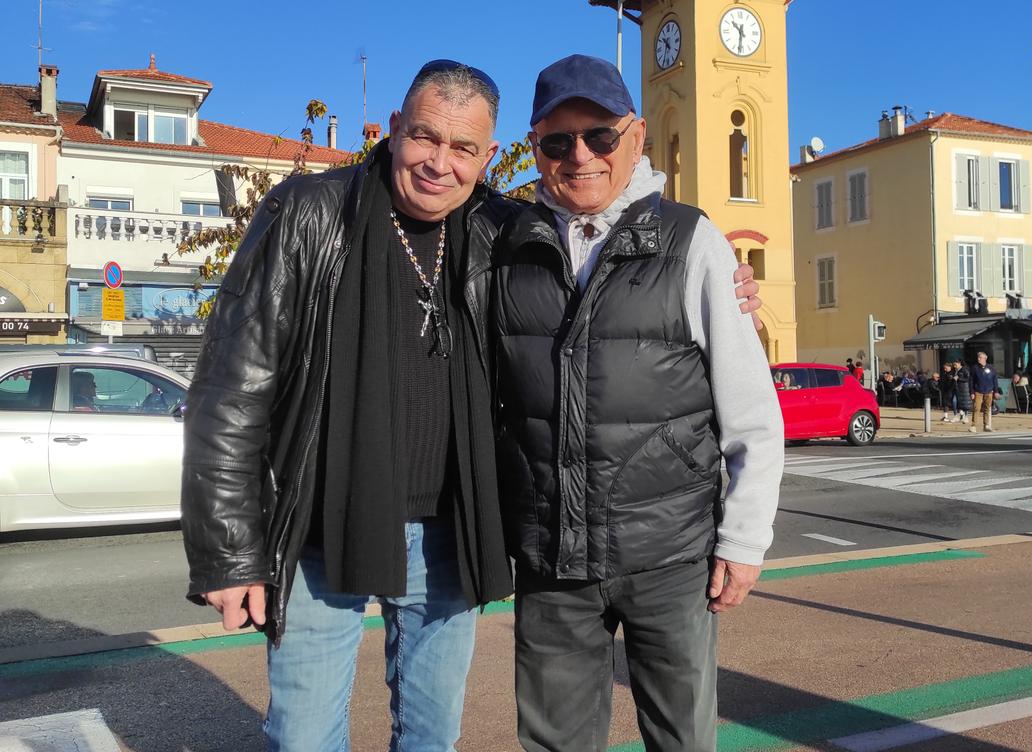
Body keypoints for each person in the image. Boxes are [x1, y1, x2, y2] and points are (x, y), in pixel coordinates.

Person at [179, 59, 763, 751]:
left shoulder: (501, 228)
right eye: (426, 137)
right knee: (304, 737)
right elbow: (230, 390)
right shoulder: (310, 213)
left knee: (431, 739)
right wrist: (228, 553)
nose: (439, 164)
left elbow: (602, 262)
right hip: (320, 530)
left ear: (488, 157)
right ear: (395, 130)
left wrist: (735, 288)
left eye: (463, 149)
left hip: (448, 534)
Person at [492, 55, 783, 752]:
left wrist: (743, 541)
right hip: (551, 560)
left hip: (669, 557)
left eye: (600, 136)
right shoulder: (505, 243)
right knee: (556, 743)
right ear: (535, 149)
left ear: (638, 134)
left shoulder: (693, 242)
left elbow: (752, 413)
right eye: (557, 143)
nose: (581, 156)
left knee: (680, 739)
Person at [969, 351, 1000, 433]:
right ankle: (973, 425)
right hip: (978, 391)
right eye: (978, 357)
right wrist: (971, 392)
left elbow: (995, 379)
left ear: (985, 358)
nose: (978, 359)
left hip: (989, 391)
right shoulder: (974, 368)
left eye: (980, 357)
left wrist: (996, 391)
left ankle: (986, 425)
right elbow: (971, 381)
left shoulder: (991, 368)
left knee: (987, 408)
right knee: (976, 408)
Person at [952, 359, 971, 423]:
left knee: (965, 403)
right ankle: (958, 415)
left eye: (955, 364)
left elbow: (968, 378)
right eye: (954, 365)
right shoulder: (955, 370)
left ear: (959, 363)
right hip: (956, 388)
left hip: (964, 389)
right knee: (955, 401)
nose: (954, 366)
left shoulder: (964, 369)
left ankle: (966, 417)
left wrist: (959, 379)